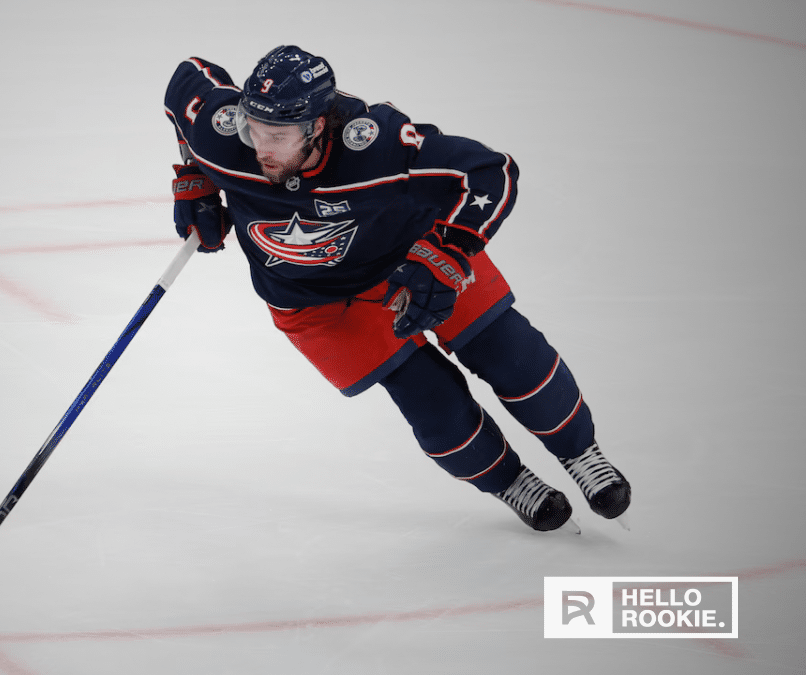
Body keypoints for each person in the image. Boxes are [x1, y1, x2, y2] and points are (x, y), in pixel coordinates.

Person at [163, 46, 631, 532]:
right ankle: (512, 483)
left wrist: (448, 254)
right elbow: (187, 79)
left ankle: (582, 454)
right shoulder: (221, 133)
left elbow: (491, 172)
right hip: (317, 304)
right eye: (251, 129)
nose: (259, 149)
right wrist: (195, 175)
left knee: (513, 356)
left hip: (410, 256)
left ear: (318, 125)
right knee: (436, 412)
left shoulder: (379, 146)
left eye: (276, 136)